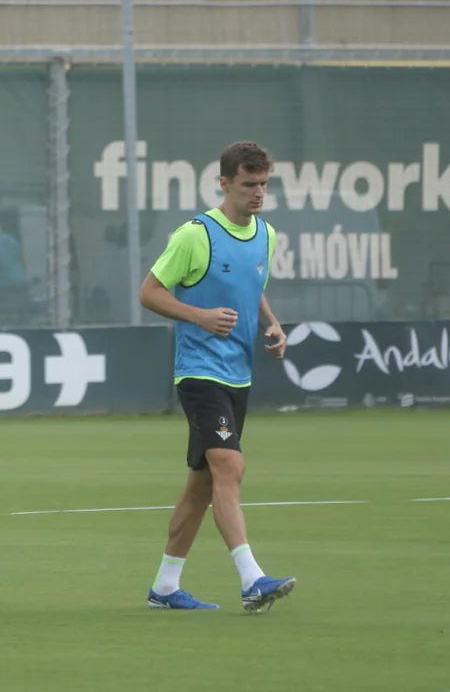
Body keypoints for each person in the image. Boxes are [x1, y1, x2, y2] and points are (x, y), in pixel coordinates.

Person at [138, 140, 296, 613]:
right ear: (224, 183)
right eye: (249, 184)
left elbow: (253, 286)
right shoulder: (196, 235)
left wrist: (272, 321)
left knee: (202, 484)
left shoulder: (266, 234)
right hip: (199, 372)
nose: (258, 193)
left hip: (238, 375)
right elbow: (149, 293)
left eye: (264, 184)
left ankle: (165, 588)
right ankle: (252, 579)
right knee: (230, 466)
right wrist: (198, 316)